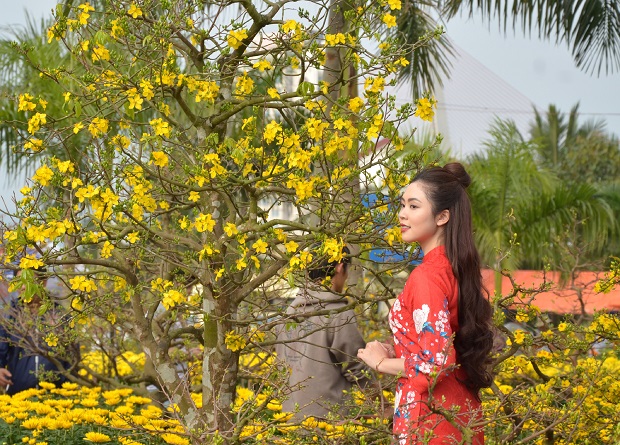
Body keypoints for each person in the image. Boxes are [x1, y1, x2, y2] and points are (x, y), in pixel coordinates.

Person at [358, 163, 494, 444]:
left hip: (431, 419)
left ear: (442, 216)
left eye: (413, 206)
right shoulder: (451, 269)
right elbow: (438, 344)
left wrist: (382, 362)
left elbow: (438, 361)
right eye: (402, 205)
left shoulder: (426, 277)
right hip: (457, 412)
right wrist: (399, 347)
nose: (402, 214)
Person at [275, 245, 371, 420]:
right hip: (328, 419)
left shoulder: (288, 312)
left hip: (290, 415)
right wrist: (382, 402)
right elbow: (357, 367)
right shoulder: (339, 313)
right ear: (340, 267)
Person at [0, 267, 73, 395]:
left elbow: (72, 355)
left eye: (28, 281)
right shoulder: (9, 315)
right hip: (19, 397)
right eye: (18, 281)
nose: (23, 287)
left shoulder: (59, 315)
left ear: (43, 282)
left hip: (56, 397)